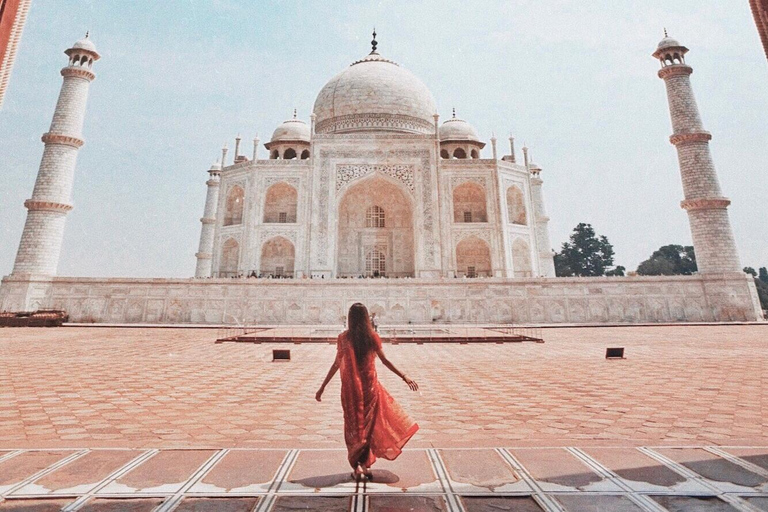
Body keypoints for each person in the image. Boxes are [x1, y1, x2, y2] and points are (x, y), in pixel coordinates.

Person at [315, 303, 419, 482]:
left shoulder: (344, 339)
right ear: (366, 319)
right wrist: (405, 376)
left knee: (354, 427)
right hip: (370, 388)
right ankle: (364, 465)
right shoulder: (372, 337)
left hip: (351, 392)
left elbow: (336, 364)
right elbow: (385, 361)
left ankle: (358, 466)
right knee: (368, 427)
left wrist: (322, 386)